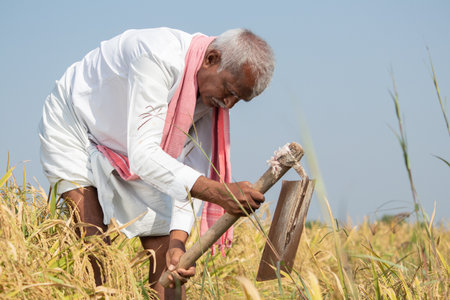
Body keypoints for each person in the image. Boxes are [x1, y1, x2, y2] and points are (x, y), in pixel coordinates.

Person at [39, 27, 274, 298]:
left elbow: (192, 173)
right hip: (76, 124)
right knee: (94, 243)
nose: (229, 104)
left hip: (132, 144)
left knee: (169, 259)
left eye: (239, 100)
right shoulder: (158, 56)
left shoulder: (212, 99)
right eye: (229, 91)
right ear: (211, 59)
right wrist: (218, 192)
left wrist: (178, 242)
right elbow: (145, 157)